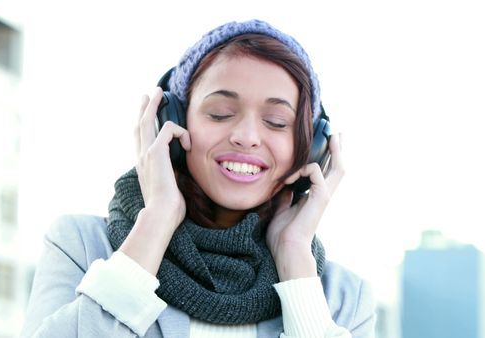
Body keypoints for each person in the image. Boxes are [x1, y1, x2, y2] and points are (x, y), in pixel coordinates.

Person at [21, 19, 376, 338]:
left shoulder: (343, 298)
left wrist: (295, 257)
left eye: (277, 122)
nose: (247, 136)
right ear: (172, 121)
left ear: (311, 147)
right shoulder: (80, 246)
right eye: (221, 113)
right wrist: (158, 220)